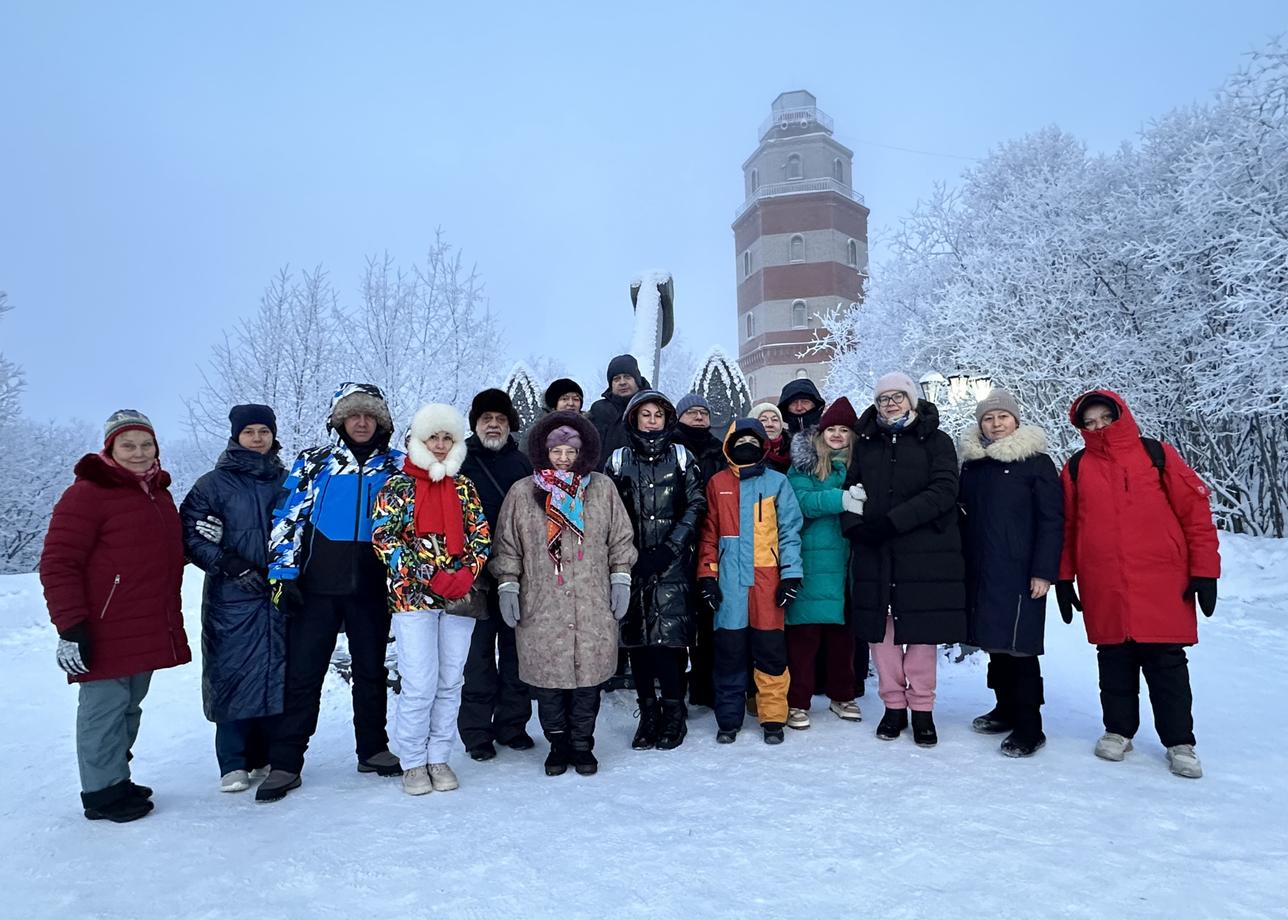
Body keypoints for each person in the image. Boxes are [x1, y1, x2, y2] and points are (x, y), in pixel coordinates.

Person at [1057, 389, 1220, 779]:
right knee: (1113, 659)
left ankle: (1180, 742)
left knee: (1166, 663)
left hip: (1161, 578)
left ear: (1120, 416)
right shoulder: (1077, 466)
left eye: (1104, 419)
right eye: (1089, 422)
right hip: (1104, 581)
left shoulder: (1155, 454)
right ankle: (1118, 731)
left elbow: (1195, 510)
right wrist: (1064, 577)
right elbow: (1066, 527)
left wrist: (1205, 570)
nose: (1098, 427)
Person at [40, 410, 191, 823]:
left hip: (144, 621)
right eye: (129, 445)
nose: (139, 453)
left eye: (147, 444)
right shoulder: (87, 494)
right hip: (103, 625)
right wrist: (70, 625)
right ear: (110, 448)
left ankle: (115, 778)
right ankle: (102, 793)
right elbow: (58, 562)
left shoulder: (157, 493)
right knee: (103, 710)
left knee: (128, 707)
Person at [257, 382, 405, 803]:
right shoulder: (314, 462)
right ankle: (286, 762)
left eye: (369, 415)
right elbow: (288, 516)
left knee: (372, 673)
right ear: (340, 420)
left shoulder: (397, 466)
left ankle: (373, 749)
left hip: (373, 590)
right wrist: (282, 574)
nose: (361, 422)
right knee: (303, 676)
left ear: (381, 421)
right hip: (317, 589)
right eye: (353, 415)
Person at [489, 411, 637, 776]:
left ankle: (583, 745)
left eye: (571, 451)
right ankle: (557, 745)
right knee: (548, 680)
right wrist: (508, 583)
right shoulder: (524, 492)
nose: (564, 458)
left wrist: (621, 578)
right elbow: (508, 546)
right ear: (544, 451)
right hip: (542, 603)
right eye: (557, 451)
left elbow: (620, 538)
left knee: (588, 679)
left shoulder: (601, 488)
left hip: (591, 600)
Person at [372, 403, 491, 796]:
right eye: (432, 437)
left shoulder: (464, 486)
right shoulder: (397, 486)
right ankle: (412, 761)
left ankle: (439, 755)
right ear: (417, 440)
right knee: (420, 682)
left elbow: (481, 536)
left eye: (447, 438)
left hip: (459, 596)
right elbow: (385, 539)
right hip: (413, 597)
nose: (440, 445)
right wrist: (427, 575)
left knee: (450, 680)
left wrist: (465, 573)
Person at [841, 372, 966, 748]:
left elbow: (944, 490)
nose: (891, 403)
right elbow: (851, 488)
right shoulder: (867, 444)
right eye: (883, 398)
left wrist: (894, 522)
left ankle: (923, 709)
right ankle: (893, 706)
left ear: (912, 400)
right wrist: (854, 525)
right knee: (884, 635)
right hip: (876, 553)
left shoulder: (936, 441)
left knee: (921, 636)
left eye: (898, 396)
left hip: (923, 552)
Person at [180, 404, 287, 793]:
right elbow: (190, 535)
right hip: (233, 597)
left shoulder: (288, 481)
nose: (257, 438)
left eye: (264, 431)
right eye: (249, 432)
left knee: (276, 672)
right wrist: (230, 563)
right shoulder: (213, 484)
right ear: (236, 436)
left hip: (277, 594)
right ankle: (233, 762)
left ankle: (269, 754)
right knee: (232, 675)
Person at [958, 389, 1063, 757]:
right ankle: (1004, 709)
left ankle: (1030, 726)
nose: (996, 423)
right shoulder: (974, 464)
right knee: (995, 644)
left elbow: (1052, 521)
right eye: (988, 418)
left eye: (1002, 417)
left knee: (1020, 649)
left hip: (1021, 572)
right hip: (982, 570)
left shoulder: (1037, 463)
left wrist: (1044, 571)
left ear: (1016, 420)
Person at [605, 390, 706, 750]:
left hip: (672, 565)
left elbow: (696, 503)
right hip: (630, 564)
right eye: (644, 414)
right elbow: (609, 511)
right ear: (633, 419)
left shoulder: (681, 457)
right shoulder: (617, 460)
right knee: (639, 641)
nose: (651, 421)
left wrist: (671, 547)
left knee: (671, 643)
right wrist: (629, 551)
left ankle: (673, 714)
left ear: (666, 419)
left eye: (657, 415)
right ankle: (647, 714)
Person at [697, 419, 804, 745]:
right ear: (729, 444)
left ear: (763, 445)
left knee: (770, 653)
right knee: (729, 653)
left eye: (754, 441)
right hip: (730, 583)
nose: (748, 446)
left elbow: (789, 532)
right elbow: (709, 534)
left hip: (767, 580)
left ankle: (772, 717)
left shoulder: (778, 483)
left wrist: (791, 575)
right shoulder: (717, 483)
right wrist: (707, 576)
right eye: (740, 440)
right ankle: (728, 719)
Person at [458, 388, 536, 761]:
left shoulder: (523, 465)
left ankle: (513, 725)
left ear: (510, 425)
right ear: (475, 424)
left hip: (517, 572)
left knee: (515, 652)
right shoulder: (460, 460)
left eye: (500, 419)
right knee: (477, 659)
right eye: (486, 418)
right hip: (472, 576)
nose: (493, 424)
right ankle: (476, 734)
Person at [784, 397, 865, 729]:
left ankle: (842, 695)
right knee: (803, 639)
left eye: (843, 430)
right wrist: (842, 499)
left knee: (842, 638)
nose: (836, 435)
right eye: (831, 428)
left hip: (847, 562)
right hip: (811, 561)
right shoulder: (803, 465)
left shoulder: (859, 465)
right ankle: (797, 701)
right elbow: (800, 501)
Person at [671, 391, 724, 710]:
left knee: (708, 619)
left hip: (712, 538)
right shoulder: (670, 449)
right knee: (678, 621)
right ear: (679, 417)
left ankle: (705, 686)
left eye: (703, 412)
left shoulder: (719, 451)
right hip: (677, 540)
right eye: (692, 413)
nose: (700, 417)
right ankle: (676, 691)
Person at [587, 354, 649, 465]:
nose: (622, 382)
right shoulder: (599, 410)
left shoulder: (653, 406)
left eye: (627, 377)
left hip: (644, 477)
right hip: (605, 478)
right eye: (616, 379)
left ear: (637, 380)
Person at [517, 378, 585, 453]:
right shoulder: (537, 432)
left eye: (576, 399)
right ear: (554, 404)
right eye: (564, 399)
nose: (571, 403)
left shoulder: (588, 428)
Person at [750, 402, 790, 472]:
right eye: (763, 420)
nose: (770, 424)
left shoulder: (795, 451)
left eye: (775, 420)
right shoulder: (745, 454)